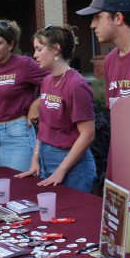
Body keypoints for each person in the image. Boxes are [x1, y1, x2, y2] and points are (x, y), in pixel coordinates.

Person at [16, 25, 96, 193]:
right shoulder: (47, 81)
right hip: (47, 156)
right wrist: (35, 158)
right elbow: (44, 125)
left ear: (56, 49)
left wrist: (62, 170)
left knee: (74, 214)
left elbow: (88, 134)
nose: (35, 55)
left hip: (72, 164)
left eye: (39, 49)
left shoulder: (76, 85)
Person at [0, 19, 47, 172]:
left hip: (18, 134)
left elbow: (53, 81)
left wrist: (36, 105)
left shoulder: (25, 65)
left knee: (21, 187)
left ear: (11, 45)